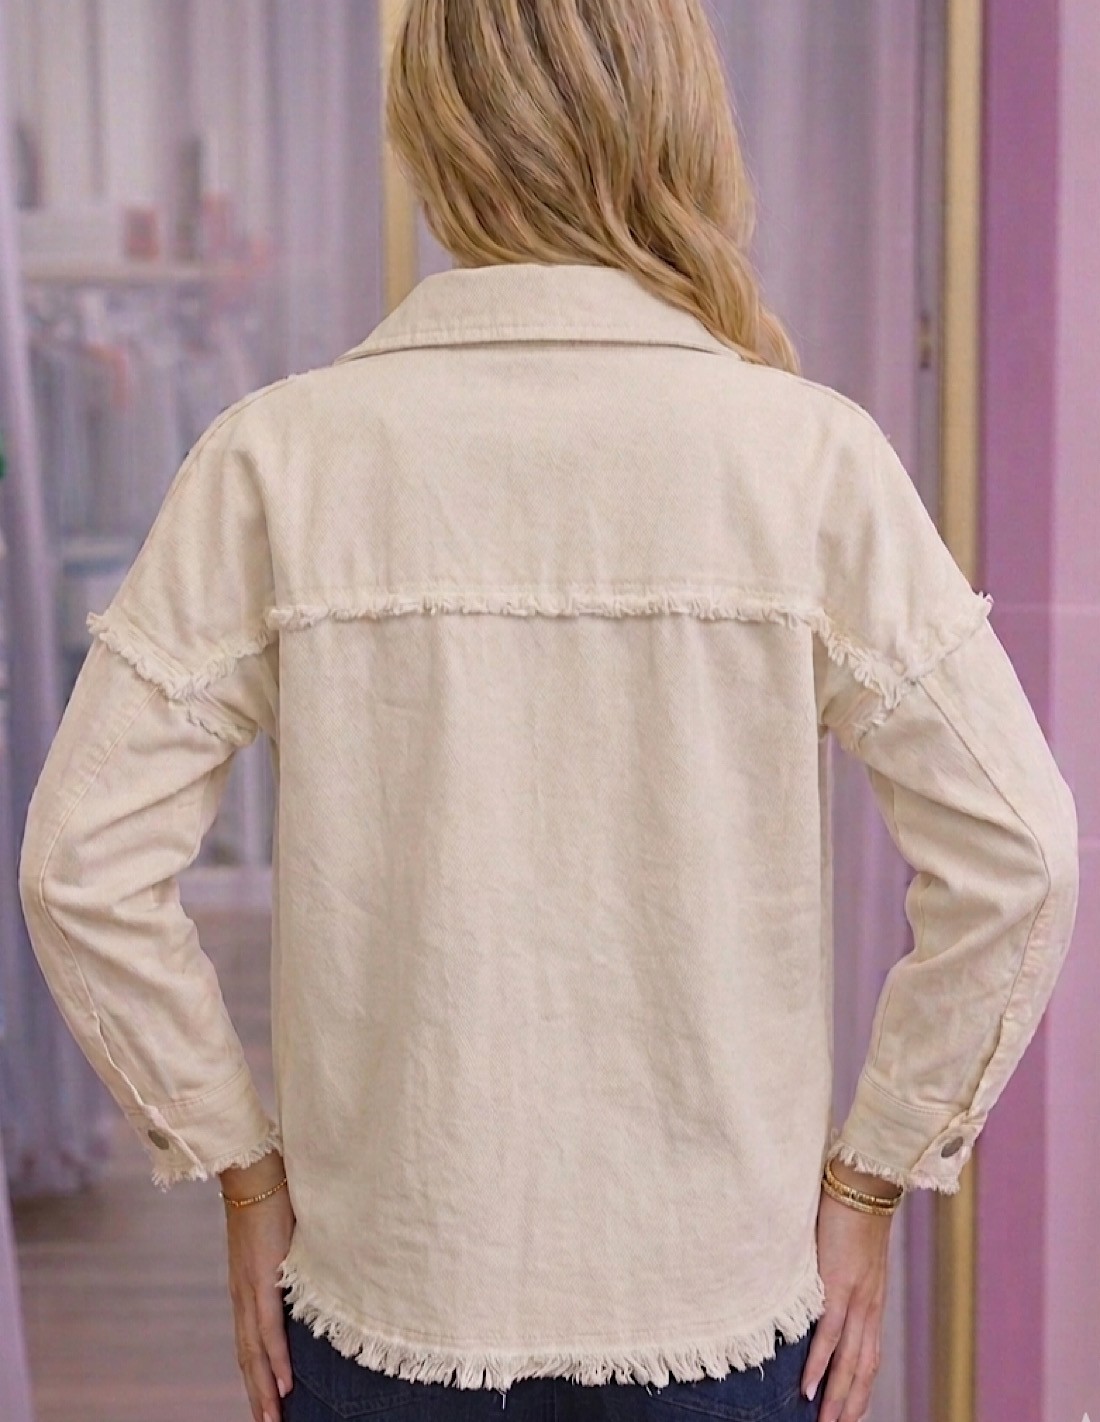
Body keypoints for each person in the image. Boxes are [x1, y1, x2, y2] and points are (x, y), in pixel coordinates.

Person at [18, 1, 1080, 1421]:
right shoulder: (806, 458)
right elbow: (1022, 854)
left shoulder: (278, 459)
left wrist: (242, 1166)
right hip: (717, 1307)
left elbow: (77, 863)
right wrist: (872, 1176)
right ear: (679, 118)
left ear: (430, 134)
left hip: (389, 1296)